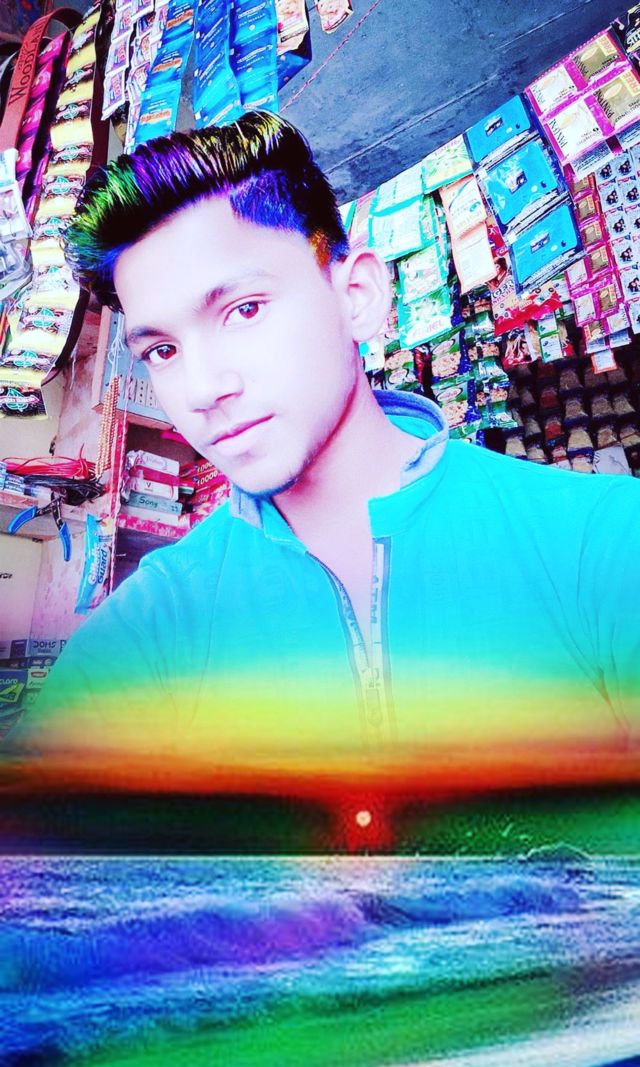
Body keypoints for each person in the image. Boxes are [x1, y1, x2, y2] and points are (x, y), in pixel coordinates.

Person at [9, 111, 640, 802]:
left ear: (356, 297)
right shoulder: (151, 630)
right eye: (163, 350)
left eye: (244, 310)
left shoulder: (600, 542)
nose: (201, 388)